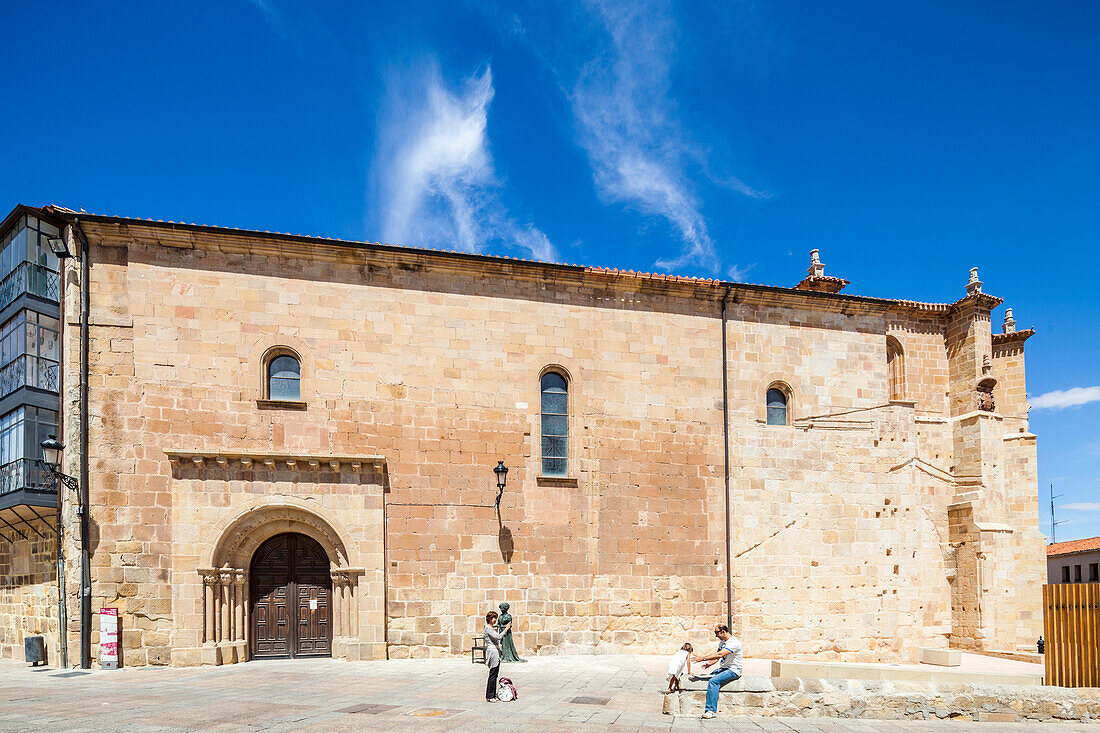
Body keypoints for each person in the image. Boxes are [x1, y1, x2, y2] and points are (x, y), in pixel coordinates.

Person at [691, 624, 742, 719]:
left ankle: (711, 711)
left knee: (713, 681)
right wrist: (709, 664)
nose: (716, 635)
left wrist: (703, 658)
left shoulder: (734, 643)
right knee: (710, 677)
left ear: (723, 632)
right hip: (724, 668)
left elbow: (720, 654)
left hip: (733, 670)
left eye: (716, 633)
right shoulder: (723, 642)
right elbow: (718, 657)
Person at [482, 609, 509, 702]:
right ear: (489, 618)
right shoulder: (488, 628)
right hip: (493, 653)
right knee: (493, 675)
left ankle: (492, 695)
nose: (495, 620)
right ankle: (490, 696)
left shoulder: (491, 628)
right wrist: (506, 629)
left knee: (494, 674)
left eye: (495, 618)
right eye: (494, 618)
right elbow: (498, 637)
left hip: (496, 652)